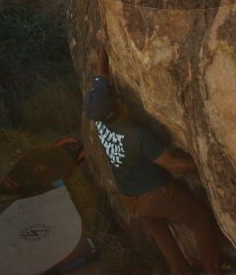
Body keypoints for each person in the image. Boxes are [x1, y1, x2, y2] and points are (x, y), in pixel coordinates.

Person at [84, 29, 222, 275]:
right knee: (199, 220)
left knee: (159, 230)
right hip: (154, 194)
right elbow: (173, 165)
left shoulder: (100, 119)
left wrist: (103, 45)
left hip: (129, 195)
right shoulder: (136, 134)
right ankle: (213, 270)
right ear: (115, 104)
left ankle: (180, 270)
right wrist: (205, 166)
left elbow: (101, 74)